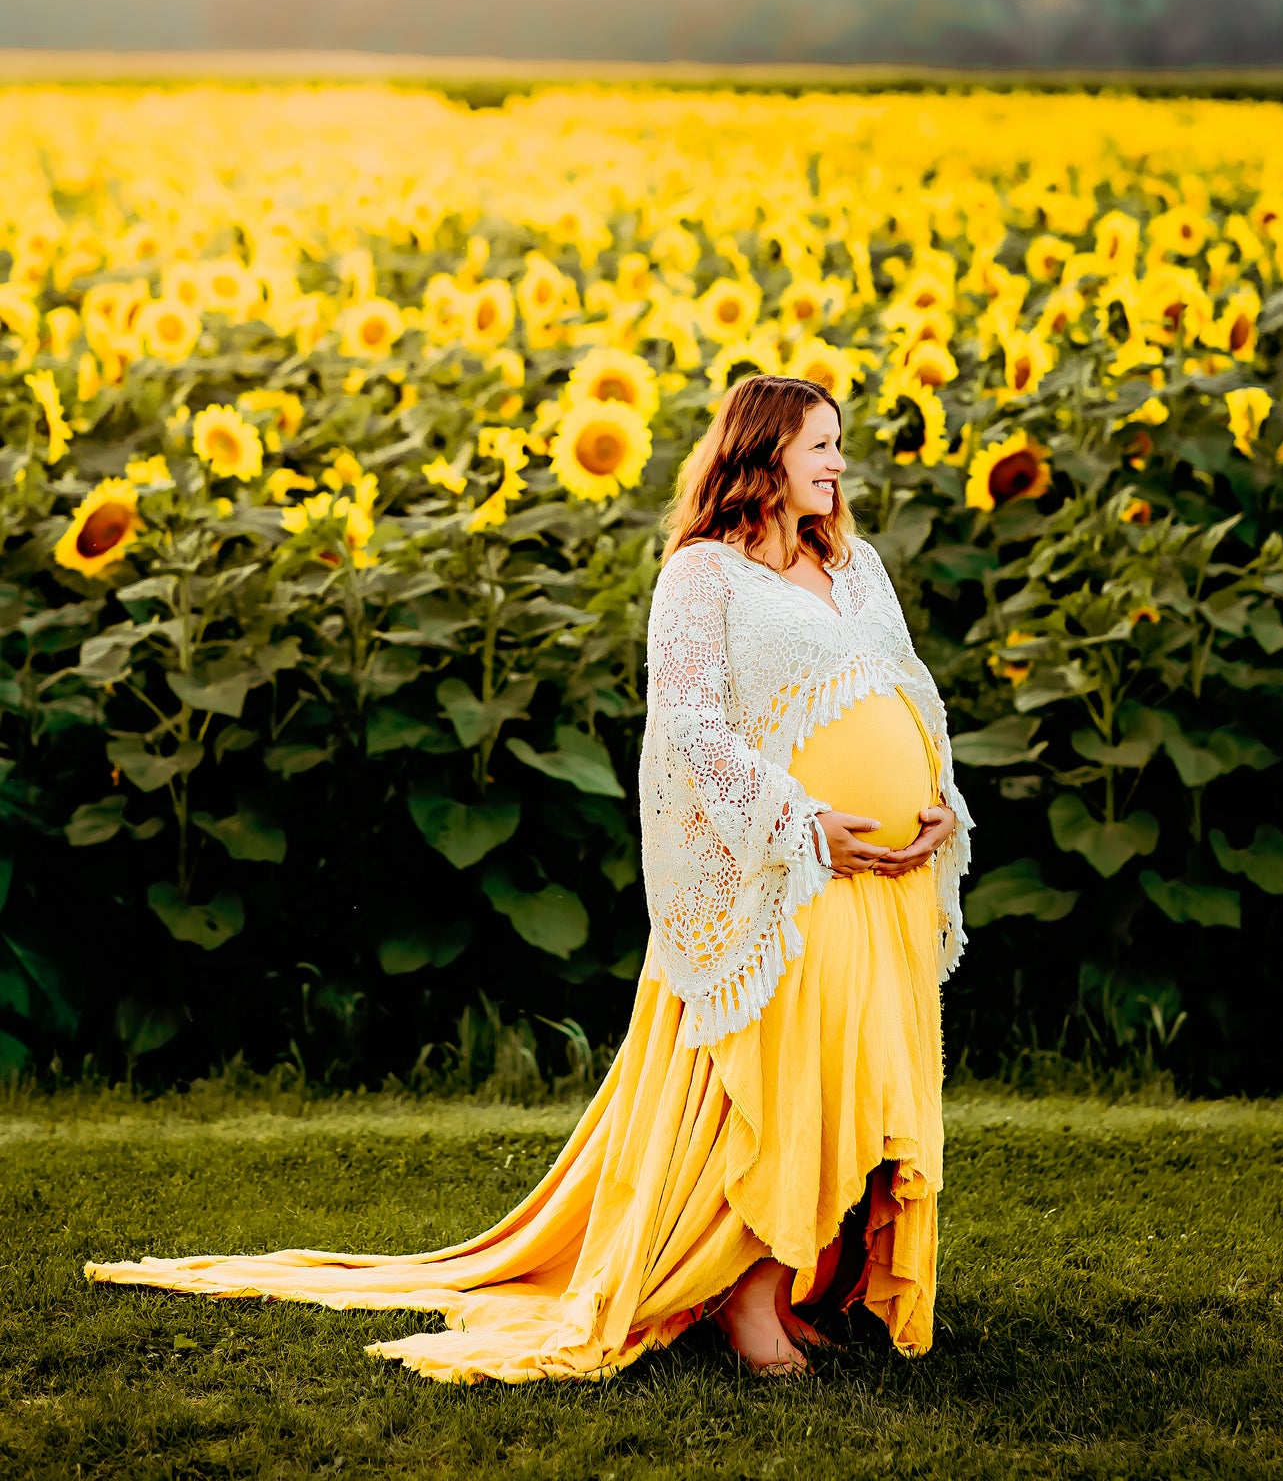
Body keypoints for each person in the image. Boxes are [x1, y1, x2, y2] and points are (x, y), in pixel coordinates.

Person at [87, 374, 972, 1381]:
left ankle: (798, 1274)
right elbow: (686, 728)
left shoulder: (850, 563)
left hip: (883, 871)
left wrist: (935, 795)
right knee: (783, 1078)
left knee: (854, 1069)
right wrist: (802, 821)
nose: (836, 462)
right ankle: (745, 1298)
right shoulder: (702, 576)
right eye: (819, 443)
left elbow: (902, 685)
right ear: (761, 452)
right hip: (785, 873)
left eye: (838, 444)